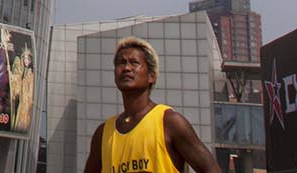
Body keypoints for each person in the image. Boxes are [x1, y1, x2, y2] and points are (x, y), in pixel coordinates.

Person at [82, 37, 219, 173]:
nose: (126, 68)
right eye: (121, 63)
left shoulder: (170, 122)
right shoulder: (103, 133)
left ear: (151, 76)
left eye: (134, 62)